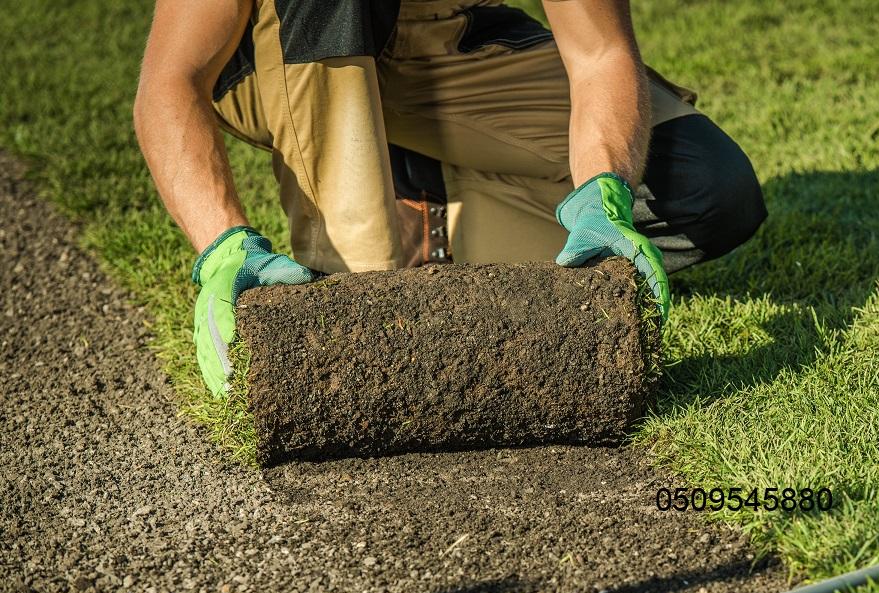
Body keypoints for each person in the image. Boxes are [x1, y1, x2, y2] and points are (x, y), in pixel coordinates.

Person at [133, 0, 767, 396]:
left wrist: (602, 193)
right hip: (286, 42)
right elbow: (171, 80)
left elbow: (600, 53)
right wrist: (222, 245)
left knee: (706, 193)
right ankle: (355, 267)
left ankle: (426, 200)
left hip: (450, 40)